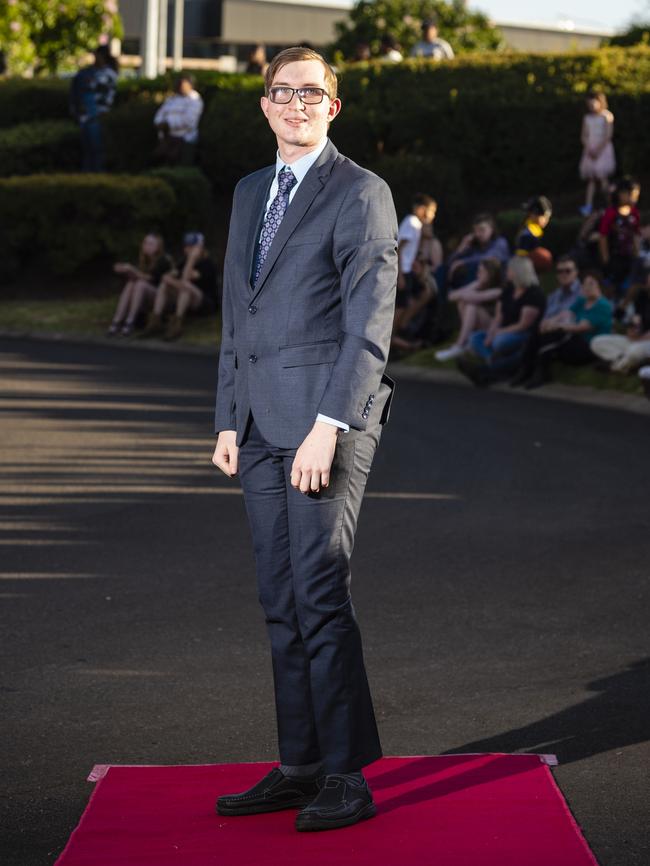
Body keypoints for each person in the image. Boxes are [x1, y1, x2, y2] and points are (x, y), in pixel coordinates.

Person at [211, 46, 397, 832]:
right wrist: (226, 414)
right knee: (280, 601)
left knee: (320, 597)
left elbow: (369, 324)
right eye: (283, 92)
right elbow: (235, 311)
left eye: (311, 93)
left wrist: (331, 425)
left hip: (326, 424)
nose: (296, 104)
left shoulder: (361, 193)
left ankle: (349, 777)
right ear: (264, 104)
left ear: (333, 106)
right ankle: (299, 765)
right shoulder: (251, 190)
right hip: (256, 425)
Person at [458, 255, 545, 386]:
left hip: (523, 333)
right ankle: (491, 363)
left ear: (518, 272)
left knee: (500, 341)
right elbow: (499, 316)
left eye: (509, 269)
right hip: (504, 330)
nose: (506, 272)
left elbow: (523, 325)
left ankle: (486, 370)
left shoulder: (534, 294)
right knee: (475, 338)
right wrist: (491, 333)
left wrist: (499, 332)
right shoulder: (509, 289)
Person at [524, 271, 612, 389]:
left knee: (554, 335)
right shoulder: (582, 300)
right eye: (585, 284)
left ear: (600, 286)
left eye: (591, 284)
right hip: (574, 342)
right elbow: (566, 313)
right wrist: (550, 321)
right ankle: (526, 369)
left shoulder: (603, 306)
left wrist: (557, 326)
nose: (587, 288)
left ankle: (540, 372)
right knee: (539, 330)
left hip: (588, 348)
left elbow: (581, 327)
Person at [510, 255, 582, 385]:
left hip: (571, 333)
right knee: (534, 334)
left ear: (576, 273)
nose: (563, 274)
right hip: (549, 330)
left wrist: (552, 324)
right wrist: (545, 323)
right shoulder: (554, 295)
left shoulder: (581, 293)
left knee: (541, 337)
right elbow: (546, 316)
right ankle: (525, 370)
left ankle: (537, 372)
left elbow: (572, 316)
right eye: (560, 271)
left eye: (568, 271)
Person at [141, 232, 216, 341]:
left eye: (192, 247)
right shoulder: (183, 262)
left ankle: (177, 324)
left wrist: (192, 258)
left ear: (199, 248)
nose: (188, 250)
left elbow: (186, 279)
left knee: (185, 285)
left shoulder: (207, 263)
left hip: (205, 303)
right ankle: (156, 320)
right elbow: (170, 275)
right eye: (186, 246)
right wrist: (170, 278)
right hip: (186, 298)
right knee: (165, 284)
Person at [435, 257, 503, 361]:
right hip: (480, 324)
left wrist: (467, 292)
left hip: (493, 328)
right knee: (463, 303)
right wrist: (473, 287)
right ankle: (466, 342)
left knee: (471, 305)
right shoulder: (478, 284)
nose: (478, 274)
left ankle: (460, 345)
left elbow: (475, 297)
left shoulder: (498, 290)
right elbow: (451, 296)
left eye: (481, 272)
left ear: (491, 274)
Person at [394, 194, 437, 351]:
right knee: (400, 306)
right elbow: (398, 248)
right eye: (432, 211)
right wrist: (399, 275)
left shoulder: (418, 225)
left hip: (407, 269)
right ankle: (392, 336)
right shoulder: (412, 223)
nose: (433, 216)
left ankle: (402, 328)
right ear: (421, 209)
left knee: (424, 292)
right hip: (402, 271)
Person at [107, 233, 172, 336]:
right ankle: (117, 320)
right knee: (131, 283)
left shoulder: (163, 260)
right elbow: (136, 277)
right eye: (145, 243)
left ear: (158, 246)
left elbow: (150, 279)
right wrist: (124, 270)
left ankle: (130, 320)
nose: (146, 246)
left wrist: (132, 269)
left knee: (140, 284)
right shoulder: (144, 260)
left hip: (162, 297)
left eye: (151, 244)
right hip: (145, 295)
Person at [69, 45, 118, 172]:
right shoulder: (91, 72)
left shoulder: (107, 74)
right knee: (88, 151)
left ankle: (96, 176)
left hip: (97, 116)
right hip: (86, 116)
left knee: (96, 151)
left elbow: (106, 96)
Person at [591, 270, 650, 373]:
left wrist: (641, 338)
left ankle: (614, 368)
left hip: (646, 343)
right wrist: (632, 330)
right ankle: (628, 364)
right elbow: (634, 320)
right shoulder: (642, 297)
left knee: (634, 351)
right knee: (597, 342)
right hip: (636, 340)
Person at [599, 176, 641, 302]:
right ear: (621, 194)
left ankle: (625, 306)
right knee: (612, 282)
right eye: (632, 195)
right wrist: (605, 258)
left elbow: (635, 234)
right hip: (614, 255)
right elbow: (603, 236)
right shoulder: (611, 213)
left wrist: (637, 252)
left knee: (630, 281)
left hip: (629, 255)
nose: (634, 199)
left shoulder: (634, 213)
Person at [153, 74, 204, 166]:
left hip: (185, 141)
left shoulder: (195, 99)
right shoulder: (172, 99)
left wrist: (168, 124)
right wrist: (159, 123)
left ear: (190, 85)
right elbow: (160, 115)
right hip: (167, 139)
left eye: (184, 84)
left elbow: (189, 121)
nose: (181, 87)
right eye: (180, 84)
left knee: (182, 168)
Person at [447, 212, 510, 286]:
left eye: (482, 230)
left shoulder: (500, 242)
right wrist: (461, 248)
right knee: (442, 269)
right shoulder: (473, 246)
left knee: (475, 266)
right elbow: (449, 263)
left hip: (495, 280)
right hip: (471, 281)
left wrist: (462, 262)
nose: (478, 234)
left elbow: (488, 257)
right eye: (475, 231)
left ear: (492, 229)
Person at [579, 91, 615, 217]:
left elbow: (608, 135)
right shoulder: (587, 118)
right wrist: (589, 149)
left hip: (602, 150)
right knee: (592, 179)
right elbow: (584, 136)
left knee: (602, 177)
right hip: (590, 150)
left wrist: (598, 150)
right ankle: (588, 205)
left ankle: (610, 204)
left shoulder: (607, 116)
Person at [514, 196, 553, 273]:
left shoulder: (535, 229)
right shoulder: (527, 234)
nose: (547, 220)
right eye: (545, 216)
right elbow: (521, 258)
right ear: (533, 215)